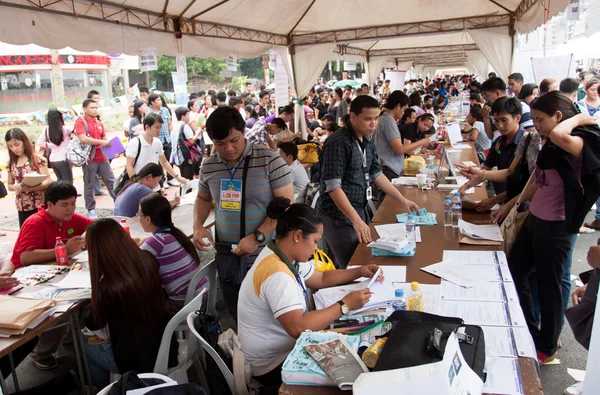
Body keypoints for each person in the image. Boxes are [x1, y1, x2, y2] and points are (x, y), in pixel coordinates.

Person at [238, 197, 382, 392]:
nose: (316, 248)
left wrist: (359, 271)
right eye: (314, 241)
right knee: (353, 377)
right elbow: (299, 326)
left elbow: (321, 278)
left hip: (284, 349)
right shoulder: (277, 274)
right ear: (297, 236)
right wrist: (344, 305)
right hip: (272, 365)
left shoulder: (282, 254)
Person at [508, 91, 600, 364]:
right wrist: (513, 203)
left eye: (539, 119)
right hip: (536, 220)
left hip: (557, 226)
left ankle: (547, 346)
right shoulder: (550, 143)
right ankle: (530, 327)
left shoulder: (581, 140)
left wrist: (582, 116)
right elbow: (538, 181)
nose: (535, 124)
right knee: (515, 271)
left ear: (558, 117)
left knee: (550, 288)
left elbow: (561, 135)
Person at [192, 107, 293, 318]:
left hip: (268, 254)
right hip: (229, 256)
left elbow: (286, 206)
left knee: (270, 317)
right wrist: (198, 225)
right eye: (220, 144)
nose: (228, 148)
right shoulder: (209, 167)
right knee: (239, 314)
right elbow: (203, 198)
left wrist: (257, 237)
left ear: (243, 132)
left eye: (234, 140)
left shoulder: (270, 160)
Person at [317, 95, 420, 269]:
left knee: (362, 259)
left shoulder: (367, 140)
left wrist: (403, 200)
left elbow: (377, 174)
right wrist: (356, 220)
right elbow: (334, 188)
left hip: (359, 209)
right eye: (367, 119)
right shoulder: (338, 143)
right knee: (353, 266)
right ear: (353, 117)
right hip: (339, 216)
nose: (373, 124)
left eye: (375, 119)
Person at [83, 218, 177, 389]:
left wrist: (92, 300)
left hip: (137, 364)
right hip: (166, 348)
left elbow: (93, 322)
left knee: (86, 344)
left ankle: (104, 389)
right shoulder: (148, 261)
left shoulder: (109, 286)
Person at [11, 182, 91, 370]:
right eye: (65, 205)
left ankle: (70, 337)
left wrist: (86, 237)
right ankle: (40, 352)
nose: (70, 209)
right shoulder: (35, 222)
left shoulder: (71, 218)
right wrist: (63, 250)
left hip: (58, 276)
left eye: (73, 203)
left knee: (89, 297)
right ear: (49, 205)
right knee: (60, 310)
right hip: (25, 283)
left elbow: (93, 227)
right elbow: (25, 257)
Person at [138, 193, 202, 303]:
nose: (138, 219)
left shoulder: (156, 242)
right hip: (200, 294)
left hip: (182, 304)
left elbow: (135, 266)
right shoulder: (174, 234)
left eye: (139, 215)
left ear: (148, 219)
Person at [467, 97, 527, 211]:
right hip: (502, 201)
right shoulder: (499, 142)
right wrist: (466, 187)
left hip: (519, 205)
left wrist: (494, 200)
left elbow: (520, 184)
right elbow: (486, 168)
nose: (499, 126)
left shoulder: (525, 143)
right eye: (496, 121)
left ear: (517, 118)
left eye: (504, 120)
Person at [373, 91, 431, 203]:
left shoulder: (386, 119)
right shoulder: (388, 121)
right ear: (398, 106)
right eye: (404, 109)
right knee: (389, 205)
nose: (404, 113)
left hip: (390, 168)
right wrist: (422, 142)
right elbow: (399, 149)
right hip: (388, 169)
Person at [75, 99, 116, 218]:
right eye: (92, 107)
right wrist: (101, 142)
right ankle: (91, 208)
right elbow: (83, 138)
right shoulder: (81, 122)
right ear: (85, 109)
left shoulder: (99, 123)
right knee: (89, 185)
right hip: (89, 159)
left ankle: (119, 204)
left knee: (111, 182)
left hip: (102, 158)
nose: (95, 110)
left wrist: (111, 151)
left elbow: (104, 139)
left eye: (96, 107)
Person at [6, 128, 52, 226]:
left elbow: (48, 181)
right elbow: (9, 184)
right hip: (22, 206)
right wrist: (15, 187)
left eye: (17, 144)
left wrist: (31, 187)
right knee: (27, 233)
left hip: (39, 203)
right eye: (11, 146)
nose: (14, 148)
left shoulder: (37, 159)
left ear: (24, 141)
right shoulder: (11, 163)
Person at [125, 113, 187, 186]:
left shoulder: (157, 142)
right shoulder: (135, 143)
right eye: (156, 127)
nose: (159, 130)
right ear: (147, 127)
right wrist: (136, 185)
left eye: (160, 127)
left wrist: (177, 177)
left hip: (154, 185)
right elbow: (129, 165)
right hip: (141, 185)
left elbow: (164, 162)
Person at [114, 163, 178, 217]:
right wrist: (175, 200)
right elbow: (162, 206)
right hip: (128, 225)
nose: (157, 185)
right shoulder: (142, 189)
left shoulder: (132, 184)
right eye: (157, 181)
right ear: (149, 177)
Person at [37, 108, 73, 185]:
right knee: (68, 182)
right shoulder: (66, 129)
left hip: (53, 160)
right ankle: (68, 196)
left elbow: (39, 142)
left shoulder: (46, 129)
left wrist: (51, 146)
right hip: (63, 159)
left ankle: (60, 196)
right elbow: (79, 133)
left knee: (60, 181)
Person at [146, 93, 175, 185]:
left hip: (167, 139)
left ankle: (171, 178)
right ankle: (161, 180)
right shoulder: (149, 113)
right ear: (152, 102)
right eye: (158, 100)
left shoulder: (165, 110)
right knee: (158, 161)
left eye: (160, 99)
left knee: (168, 158)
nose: (160, 101)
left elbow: (170, 124)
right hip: (157, 140)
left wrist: (171, 136)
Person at [170, 107, 203, 180]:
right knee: (188, 180)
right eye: (187, 115)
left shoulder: (175, 127)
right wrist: (198, 132)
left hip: (178, 157)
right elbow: (192, 141)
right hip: (186, 157)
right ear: (183, 116)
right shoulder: (184, 126)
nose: (189, 117)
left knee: (184, 178)